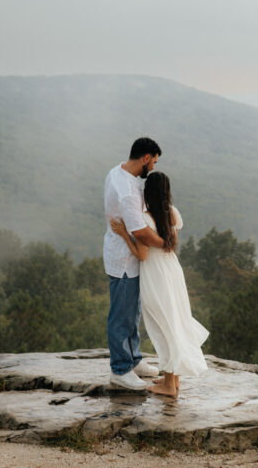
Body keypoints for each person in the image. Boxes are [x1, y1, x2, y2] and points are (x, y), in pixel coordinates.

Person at [111, 170, 209, 397]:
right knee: (173, 321)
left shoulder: (145, 219)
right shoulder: (173, 213)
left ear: (147, 193)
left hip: (155, 276)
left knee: (162, 325)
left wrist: (125, 234)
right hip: (173, 271)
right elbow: (171, 245)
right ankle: (173, 380)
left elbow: (142, 255)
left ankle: (169, 384)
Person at [103, 137, 163, 391]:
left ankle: (134, 359)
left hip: (124, 257)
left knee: (132, 313)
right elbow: (139, 231)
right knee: (122, 317)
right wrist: (165, 243)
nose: (154, 168)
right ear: (146, 158)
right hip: (125, 261)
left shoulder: (116, 172)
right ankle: (121, 369)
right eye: (155, 162)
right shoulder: (128, 191)